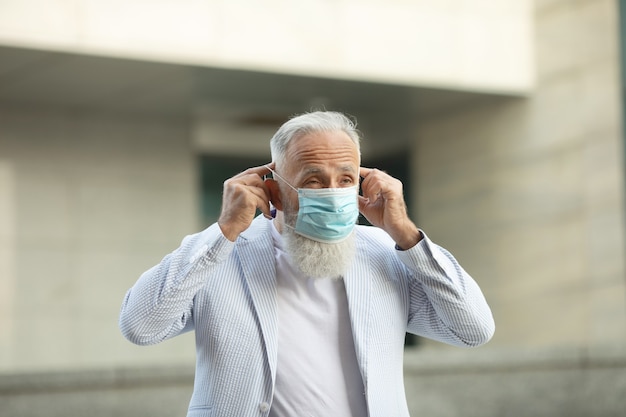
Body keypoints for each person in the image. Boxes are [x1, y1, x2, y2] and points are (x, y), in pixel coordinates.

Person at [119, 111, 495, 417]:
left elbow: (472, 330)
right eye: (314, 181)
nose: (333, 192)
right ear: (274, 189)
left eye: (346, 178)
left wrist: (406, 234)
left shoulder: (386, 253)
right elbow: (140, 326)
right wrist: (225, 230)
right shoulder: (219, 255)